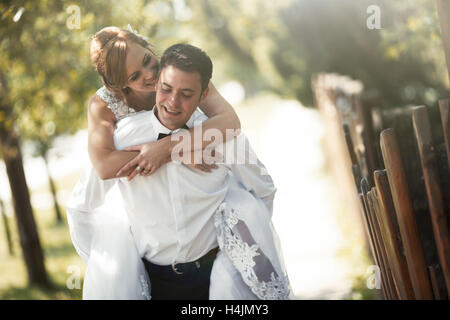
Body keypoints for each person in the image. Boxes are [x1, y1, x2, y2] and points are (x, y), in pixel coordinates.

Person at [67, 29, 291, 300]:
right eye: (135, 76)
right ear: (119, 85)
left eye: (148, 61)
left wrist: (169, 147)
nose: (150, 75)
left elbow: (230, 122)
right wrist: (176, 156)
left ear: (151, 49)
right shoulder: (104, 105)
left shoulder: (179, 73)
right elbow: (103, 165)